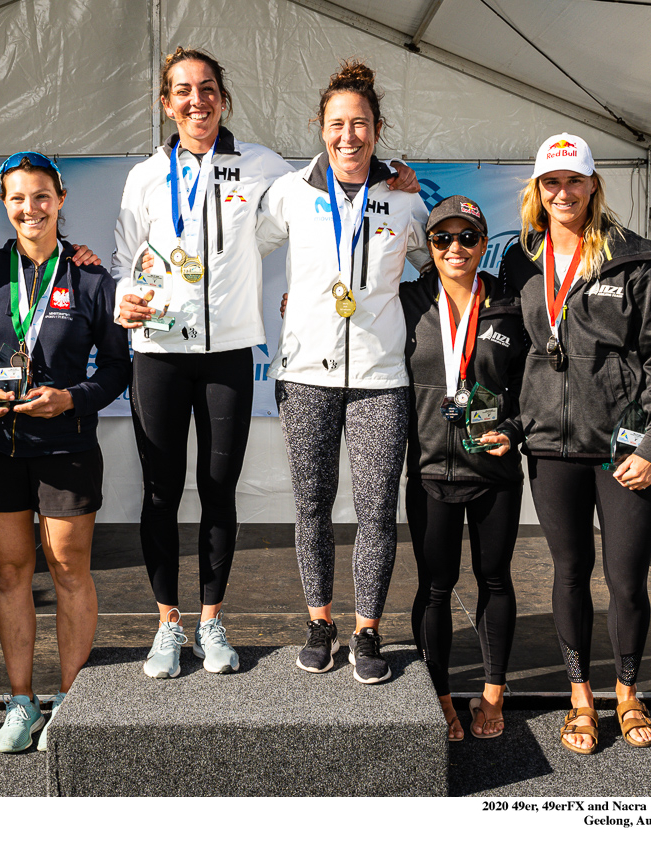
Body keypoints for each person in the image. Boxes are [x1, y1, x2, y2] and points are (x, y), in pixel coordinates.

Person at [115, 48, 419, 680]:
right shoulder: (150, 176)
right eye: (182, 91)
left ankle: (224, 623)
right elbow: (133, 258)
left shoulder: (267, 168)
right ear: (166, 104)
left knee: (225, 492)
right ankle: (172, 625)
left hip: (244, 355)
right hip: (166, 352)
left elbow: (419, 249)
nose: (196, 101)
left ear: (224, 98)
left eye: (207, 89)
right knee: (165, 493)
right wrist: (124, 294)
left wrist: (397, 178)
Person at [498, 133, 651, 753]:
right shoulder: (521, 259)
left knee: (626, 579)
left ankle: (627, 693)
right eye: (552, 182)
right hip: (551, 448)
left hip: (621, 449)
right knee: (570, 572)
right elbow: (510, 351)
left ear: (593, 184)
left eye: (574, 180)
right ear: (538, 189)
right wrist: (512, 423)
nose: (563, 193)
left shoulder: (633, 257)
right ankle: (581, 698)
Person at [258, 60, 429, 684]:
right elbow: (236, 252)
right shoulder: (290, 192)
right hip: (306, 373)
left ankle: (367, 630)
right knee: (312, 506)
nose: (347, 136)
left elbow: (440, 264)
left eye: (359, 124)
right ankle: (320, 622)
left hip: (381, 379)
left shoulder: (404, 198)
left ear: (377, 130)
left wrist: (406, 317)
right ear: (320, 127)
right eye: (336, 124)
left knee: (377, 510)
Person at [0, 152, 129, 752]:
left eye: (40, 196)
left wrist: (72, 400)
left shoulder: (90, 279)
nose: (29, 208)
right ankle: (20, 700)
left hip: (66, 448)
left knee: (68, 571)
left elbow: (116, 369)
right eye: (17, 198)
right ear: (4, 204)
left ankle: (70, 700)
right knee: (10, 573)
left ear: (60, 199)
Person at [401, 195, 526, 739]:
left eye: (468, 237)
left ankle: (493, 695)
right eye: (443, 238)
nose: (456, 247)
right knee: (435, 586)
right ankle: (442, 696)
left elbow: (533, 382)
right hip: (431, 469)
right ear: (429, 246)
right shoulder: (407, 300)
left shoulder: (510, 304)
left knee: (494, 579)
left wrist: (515, 430)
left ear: (483, 243)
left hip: (493, 470)